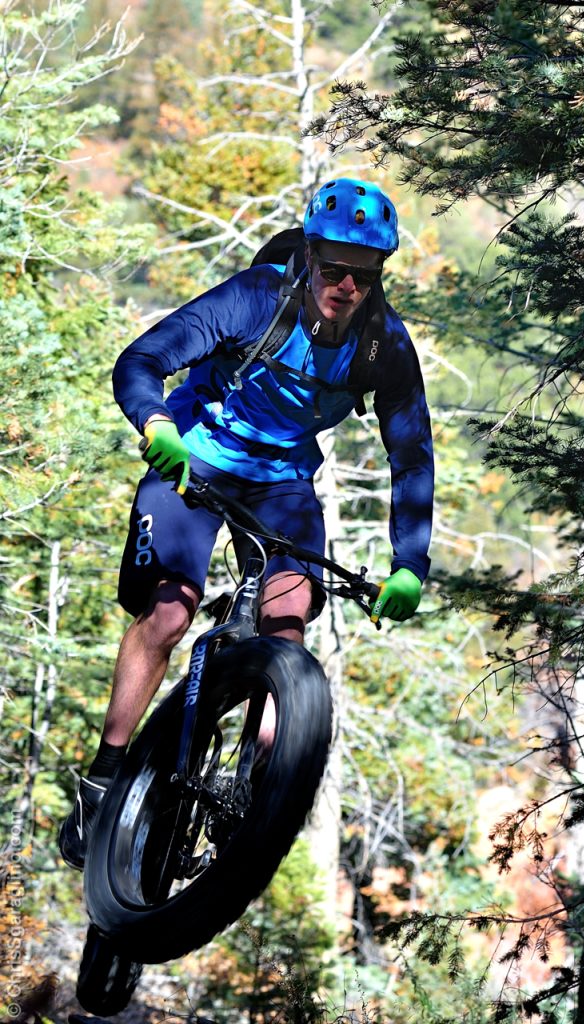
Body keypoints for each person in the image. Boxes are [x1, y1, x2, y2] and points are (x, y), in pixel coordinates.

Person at [59, 177, 434, 870]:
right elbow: (141, 359)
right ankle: (104, 777)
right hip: (193, 459)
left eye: (363, 272)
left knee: (287, 623)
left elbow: (411, 458)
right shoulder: (258, 298)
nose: (346, 285)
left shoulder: (384, 344)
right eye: (333, 268)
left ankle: (257, 796)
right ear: (311, 255)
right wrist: (157, 423)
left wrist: (410, 564)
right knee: (171, 612)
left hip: (282, 483)